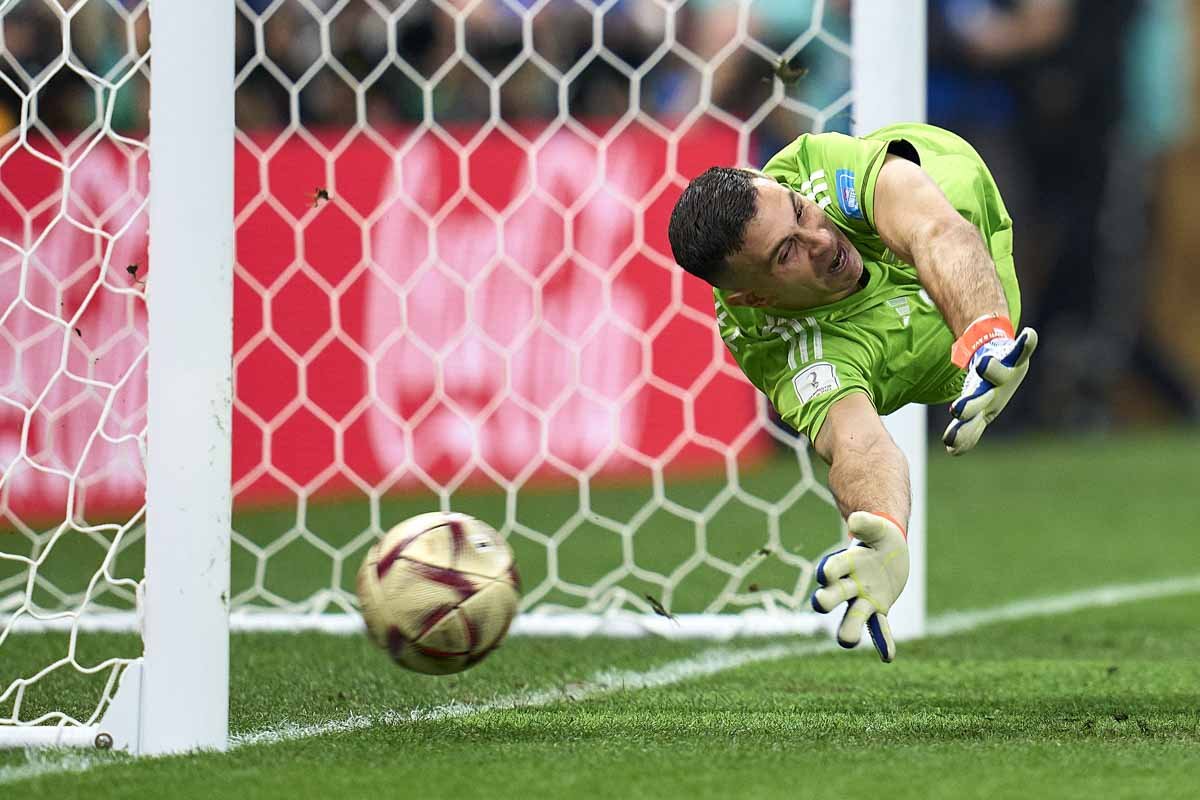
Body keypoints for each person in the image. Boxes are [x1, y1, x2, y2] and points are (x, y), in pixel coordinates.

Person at [667, 122, 1037, 662]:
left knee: (919, 209)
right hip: (918, 358)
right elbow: (856, 443)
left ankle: (982, 337)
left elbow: (935, 229)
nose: (820, 240)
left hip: (955, 207)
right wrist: (882, 528)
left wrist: (985, 339)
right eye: (785, 254)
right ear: (754, 297)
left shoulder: (815, 168)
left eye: (798, 211)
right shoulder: (782, 346)